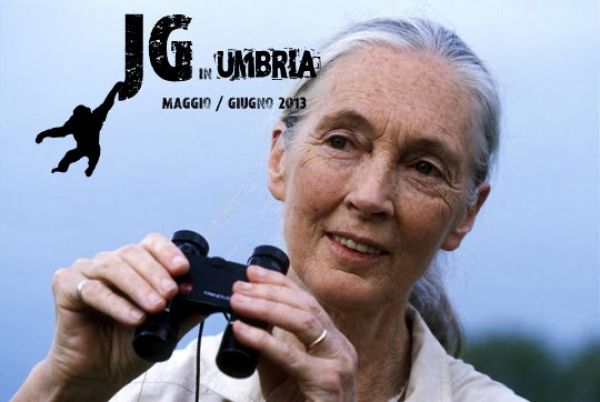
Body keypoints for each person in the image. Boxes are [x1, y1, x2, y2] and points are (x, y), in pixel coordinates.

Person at [14, 18, 528, 401]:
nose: (371, 196)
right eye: (342, 141)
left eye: (424, 168)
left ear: (466, 214)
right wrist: (65, 387)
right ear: (280, 157)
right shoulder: (156, 390)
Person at [35, 81, 124, 177]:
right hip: (83, 149)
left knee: (86, 157)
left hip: (92, 148)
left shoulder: (93, 118)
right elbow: (59, 131)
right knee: (70, 155)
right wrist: (42, 135)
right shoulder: (76, 123)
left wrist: (115, 89)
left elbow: (107, 103)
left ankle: (88, 168)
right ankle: (65, 168)